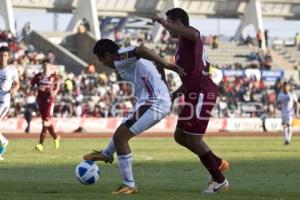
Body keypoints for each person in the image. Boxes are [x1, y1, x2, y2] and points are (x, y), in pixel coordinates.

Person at [83, 39, 185, 194]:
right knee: (121, 130)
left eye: (101, 58)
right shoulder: (126, 57)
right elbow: (149, 56)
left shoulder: (119, 57)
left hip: (154, 102)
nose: (102, 63)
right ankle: (106, 153)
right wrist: (163, 85)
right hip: (149, 100)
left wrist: (166, 64)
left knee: (121, 138)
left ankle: (129, 184)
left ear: (107, 54)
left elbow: (143, 49)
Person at [152, 8, 229, 193]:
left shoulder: (190, 34)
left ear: (177, 22)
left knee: (194, 139)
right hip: (193, 92)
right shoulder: (180, 44)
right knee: (180, 136)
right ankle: (217, 162)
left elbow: (193, 34)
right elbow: (188, 79)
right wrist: (174, 95)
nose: (168, 29)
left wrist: (163, 23)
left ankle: (220, 181)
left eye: (170, 23)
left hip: (202, 92)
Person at [31, 59, 61, 152]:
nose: (46, 67)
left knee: (45, 122)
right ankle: (56, 137)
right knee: (46, 122)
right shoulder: (38, 76)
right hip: (40, 101)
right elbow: (31, 86)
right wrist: (37, 87)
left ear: (50, 67)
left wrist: (54, 92)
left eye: (47, 66)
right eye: (44, 66)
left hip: (49, 101)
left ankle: (40, 144)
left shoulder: (53, 76)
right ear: (42, 66)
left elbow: (58, 85)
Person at [0, 46, 20, 160]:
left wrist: (14, 90)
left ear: (8, 57)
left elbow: (17, 84)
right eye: (1, 55)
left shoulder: (12, 70)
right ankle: (3, 143)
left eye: (5, 55)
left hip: (4, 101)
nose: (3, 57)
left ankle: (3, 143)